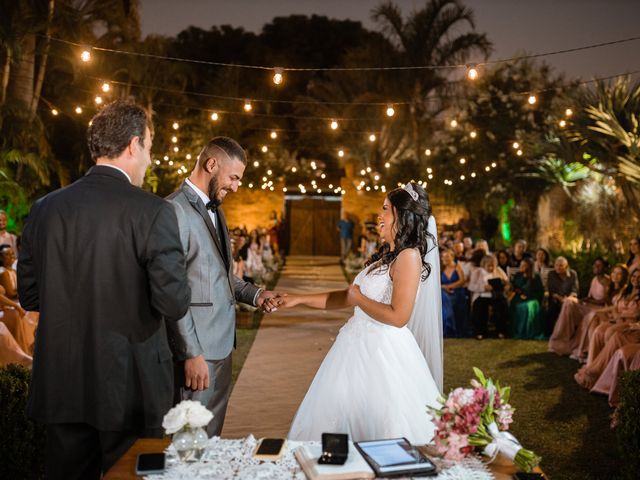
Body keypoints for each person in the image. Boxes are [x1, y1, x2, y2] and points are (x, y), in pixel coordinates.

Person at [17, 101, 191, 479]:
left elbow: (30, 297)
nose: (149, 159)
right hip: (131, 386)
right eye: (149, 146)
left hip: (64, 383)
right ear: (133, 145)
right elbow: (173, 301)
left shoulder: (45, 208)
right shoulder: (154, 212)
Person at [284, 182, 441, 444]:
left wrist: (358, 298)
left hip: (382, 352)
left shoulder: (409, 257)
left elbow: (399, 316)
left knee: (383, 424)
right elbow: (348, 296)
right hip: (354, 347)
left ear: (403, 217)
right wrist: (295, 299)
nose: (379, 216)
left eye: (386, 210)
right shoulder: (388, 257)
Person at [166, 137, 282, 437]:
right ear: (211, 164)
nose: (236, 186)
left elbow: (220, 274)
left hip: (221, 347)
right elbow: (172, 289)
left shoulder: (216, 210)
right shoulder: (174, 210)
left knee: (211, 436)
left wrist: (255, 295)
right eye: (234, 177)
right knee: (189, 437)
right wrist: (191, 353)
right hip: (197, 354)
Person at [548, 258, 612, 355]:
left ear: (604, 268)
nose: (596, 267)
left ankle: (573, 344)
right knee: (568, 303)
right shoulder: (594, 279)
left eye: (599, 265)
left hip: (599, 308)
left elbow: (606, 301)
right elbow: (590, 296)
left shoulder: (607, 281)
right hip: (589, 305)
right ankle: (560, 339)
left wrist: (588, 300)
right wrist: (582, 300)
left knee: (571, 303)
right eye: (595, 264)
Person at [468, 254, 509, 339]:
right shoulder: (477, 271)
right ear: (484, 264)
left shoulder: (498, 270)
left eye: (493, 266)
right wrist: (483, 288)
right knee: (479, 307)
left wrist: (503, 284)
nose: (491, 268)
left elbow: (507, 282)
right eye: (489, 266)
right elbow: (471, 286)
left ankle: (500, 331)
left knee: (501, 305)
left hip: (495, 295)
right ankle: (480, 332)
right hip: (481, 295)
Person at [509, 258, 545, 339]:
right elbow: (514, 288)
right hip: (519, 297)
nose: (521, 267)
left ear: (529, 267)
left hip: (532, 298)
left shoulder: (535, 277)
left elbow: (540, 292)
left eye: (524, 265)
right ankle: (516, 331)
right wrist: (518, 292)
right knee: (516, 305)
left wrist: (528, 296)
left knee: (526, 307)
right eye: (521, 265)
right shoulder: (518, 275)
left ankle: (527, 331)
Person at [546, 256, 579, 336]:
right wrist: (560, 298)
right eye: (556, 265)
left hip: (569, 299)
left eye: (561, 265)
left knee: (570, 305)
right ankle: (552, 332)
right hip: (556, 298)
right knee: (553, 304)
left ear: (566, 266)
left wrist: (567, 299)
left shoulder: (573, 274)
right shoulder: (551, 274)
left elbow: (575, 290)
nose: (558, 267)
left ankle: (569, 333)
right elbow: (551, 290)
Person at [440, 248, 468, 337]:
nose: (444, 258)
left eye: (447, 256)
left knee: (459, 313)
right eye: (443, 257)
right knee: (447, 312)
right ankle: (448, 331)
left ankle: (459, 331)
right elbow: (437, 284)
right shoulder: (441, 269)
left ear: (452, 257)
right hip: (444, 295)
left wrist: (449, 286)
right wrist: (444, 287)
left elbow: (462, 281)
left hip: (458, 293)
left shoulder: (457, 267)